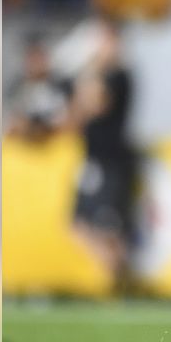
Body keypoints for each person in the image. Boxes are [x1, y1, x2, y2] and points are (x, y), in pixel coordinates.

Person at [70, 18, 140, 294]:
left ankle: (120, 284)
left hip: (112, 161)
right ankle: (119, 280)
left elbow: (95, 103)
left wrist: (90, 73)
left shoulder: (119, 76)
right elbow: (77, 114)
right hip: (94, 160)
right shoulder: (100, 75)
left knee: (107, 229)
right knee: (80, 225)